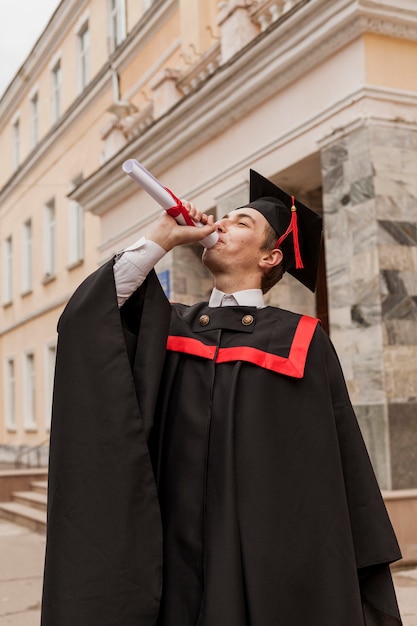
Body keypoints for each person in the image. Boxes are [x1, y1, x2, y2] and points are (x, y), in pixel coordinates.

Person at [41, 170, 402, 625]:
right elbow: (87, 321)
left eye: (242, 222)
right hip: (170, 552)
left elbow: (332, 465)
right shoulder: (171, 328)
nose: (221, 225)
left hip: (263, 561)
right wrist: (162, 238)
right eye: (223, 217)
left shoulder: (300, 339)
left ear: (271, 256)